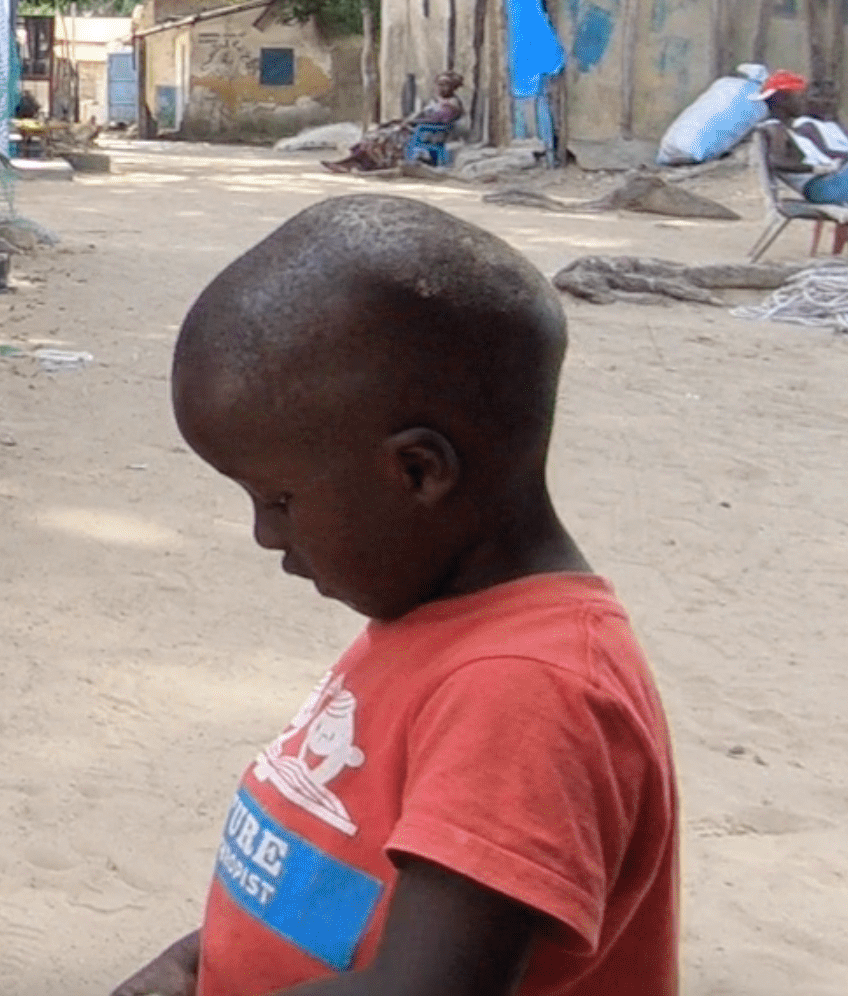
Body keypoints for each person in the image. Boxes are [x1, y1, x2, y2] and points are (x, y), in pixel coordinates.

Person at [113, 196, 679, 996]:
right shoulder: (427, 622)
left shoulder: (529, 690)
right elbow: (342, 889)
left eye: (278, 500)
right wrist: (192, 961)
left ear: (418, 473)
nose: (265, 538)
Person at [757, 73, 847, 206]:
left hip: (826, 184)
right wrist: (817, 169)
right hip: (820, 187)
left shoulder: (784, 127)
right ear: (782, 100)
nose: (806, 102)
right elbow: (777, 162)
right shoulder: (775, 129)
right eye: (800, 97)